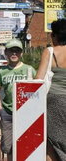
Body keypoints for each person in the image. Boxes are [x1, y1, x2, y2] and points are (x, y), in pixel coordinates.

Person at [0, 38, 36, 160]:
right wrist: (1, 109)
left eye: (17, 51)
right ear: (6, 53)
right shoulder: (2, 71)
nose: (14, 54)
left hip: (26, 113)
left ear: (21, 53)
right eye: (11, 51)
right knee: (8, 146)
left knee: (25, 143)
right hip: (8, 113)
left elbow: (39, 89)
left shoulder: (29, 69)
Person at [35, 19, 66, 161]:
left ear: (54, 36)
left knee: (50, 142)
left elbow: (38, 80)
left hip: (54, 102)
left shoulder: (50, 51)